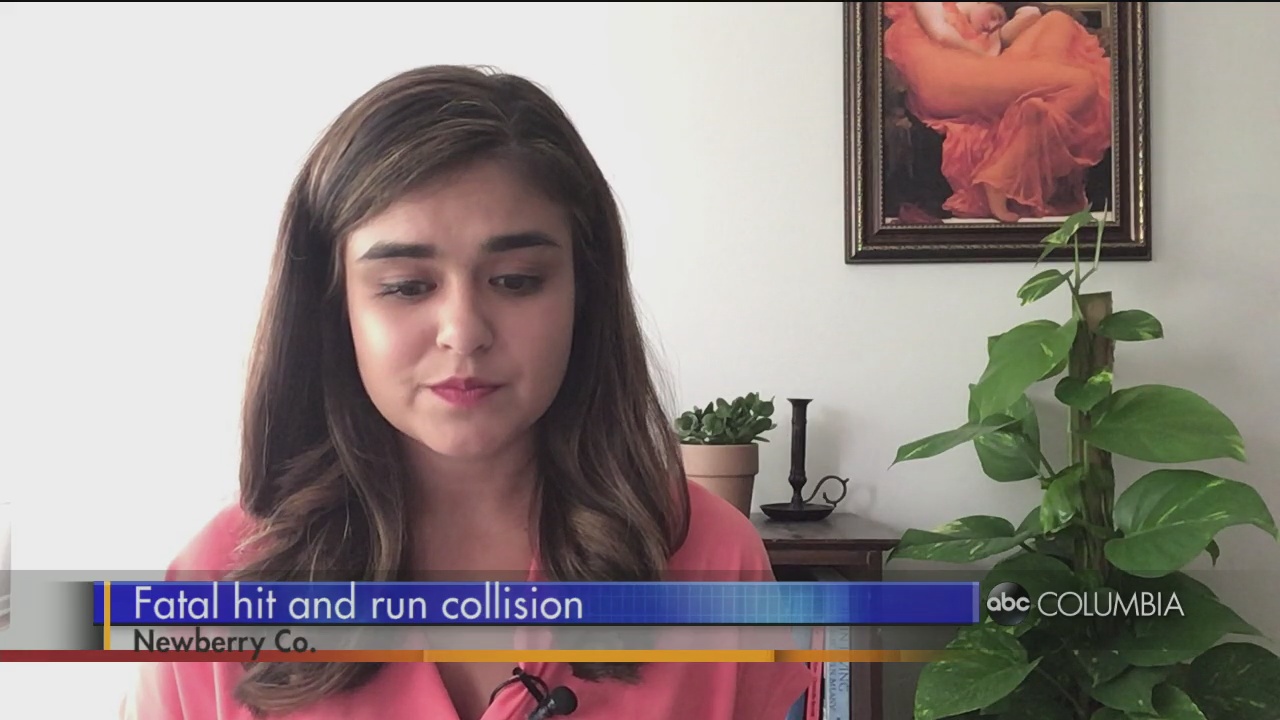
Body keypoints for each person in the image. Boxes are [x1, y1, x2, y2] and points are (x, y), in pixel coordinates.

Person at [121, 65, 811, 719]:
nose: (464, 332)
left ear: (585, 294)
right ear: (334, 308)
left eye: (516, 281)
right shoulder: (215, 586)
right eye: (405, 287)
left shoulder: (712, 561)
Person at [883, 2, 1112, 222]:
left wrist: (1015, 20)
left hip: (975, 70)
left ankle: (1036, 110)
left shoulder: (982, 31)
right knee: (1081, 83)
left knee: (1057, 20)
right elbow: (940, 33)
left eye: (998, 19)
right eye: (993, 16)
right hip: (943, 74)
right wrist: (982, 52)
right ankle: (1000, 176)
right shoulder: (941, 19)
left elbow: (1018, 24)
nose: (992, 24)